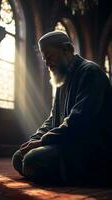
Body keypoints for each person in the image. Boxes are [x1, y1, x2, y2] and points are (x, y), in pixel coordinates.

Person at [12, 31, 112, 186]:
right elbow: (54, 119)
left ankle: (91, 175)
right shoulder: (62, 79)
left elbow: (78, 121)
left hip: (88, 147)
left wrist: (41, 143)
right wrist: (35, 139)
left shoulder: (91, 73)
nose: (46, 63)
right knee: (18, 158)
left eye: (50, 56)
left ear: (66, 50)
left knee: (32, 160)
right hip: (67, 142)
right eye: (44, 58)